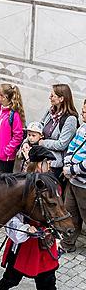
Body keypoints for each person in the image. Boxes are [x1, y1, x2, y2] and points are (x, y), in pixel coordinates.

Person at [0, 145, 77, 290]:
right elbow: (11, 218)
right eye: (47, 163)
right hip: (25, 245)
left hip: (44, 242)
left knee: (48, 282)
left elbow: (56, 209)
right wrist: (25, 229)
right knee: (12, 277)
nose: (50, 167)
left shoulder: (52, 184)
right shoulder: (21, 186)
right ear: (38, 164)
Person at [61, 100, 86, 253]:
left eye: (85, 112)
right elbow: (72, 146)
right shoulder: (82, 128)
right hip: (73, 180)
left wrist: (72, 169)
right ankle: (67, 243)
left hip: (83, 184)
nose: (82, 114)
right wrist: (67, 163)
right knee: (70, 213)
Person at [39, 84, 78, 181]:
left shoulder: (70, 119)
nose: (50, 97)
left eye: (52, 96)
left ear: (61, 99)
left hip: (54, 164)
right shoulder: (50, 112)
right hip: (42, 159)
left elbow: (61, 144)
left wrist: (42, 142)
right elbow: (40, 127)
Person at [0, 83, 25, 174]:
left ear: (4, 97)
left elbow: (18, 136)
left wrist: (7, 151)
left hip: (5, 158)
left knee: (4, 184)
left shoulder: (13, 115)